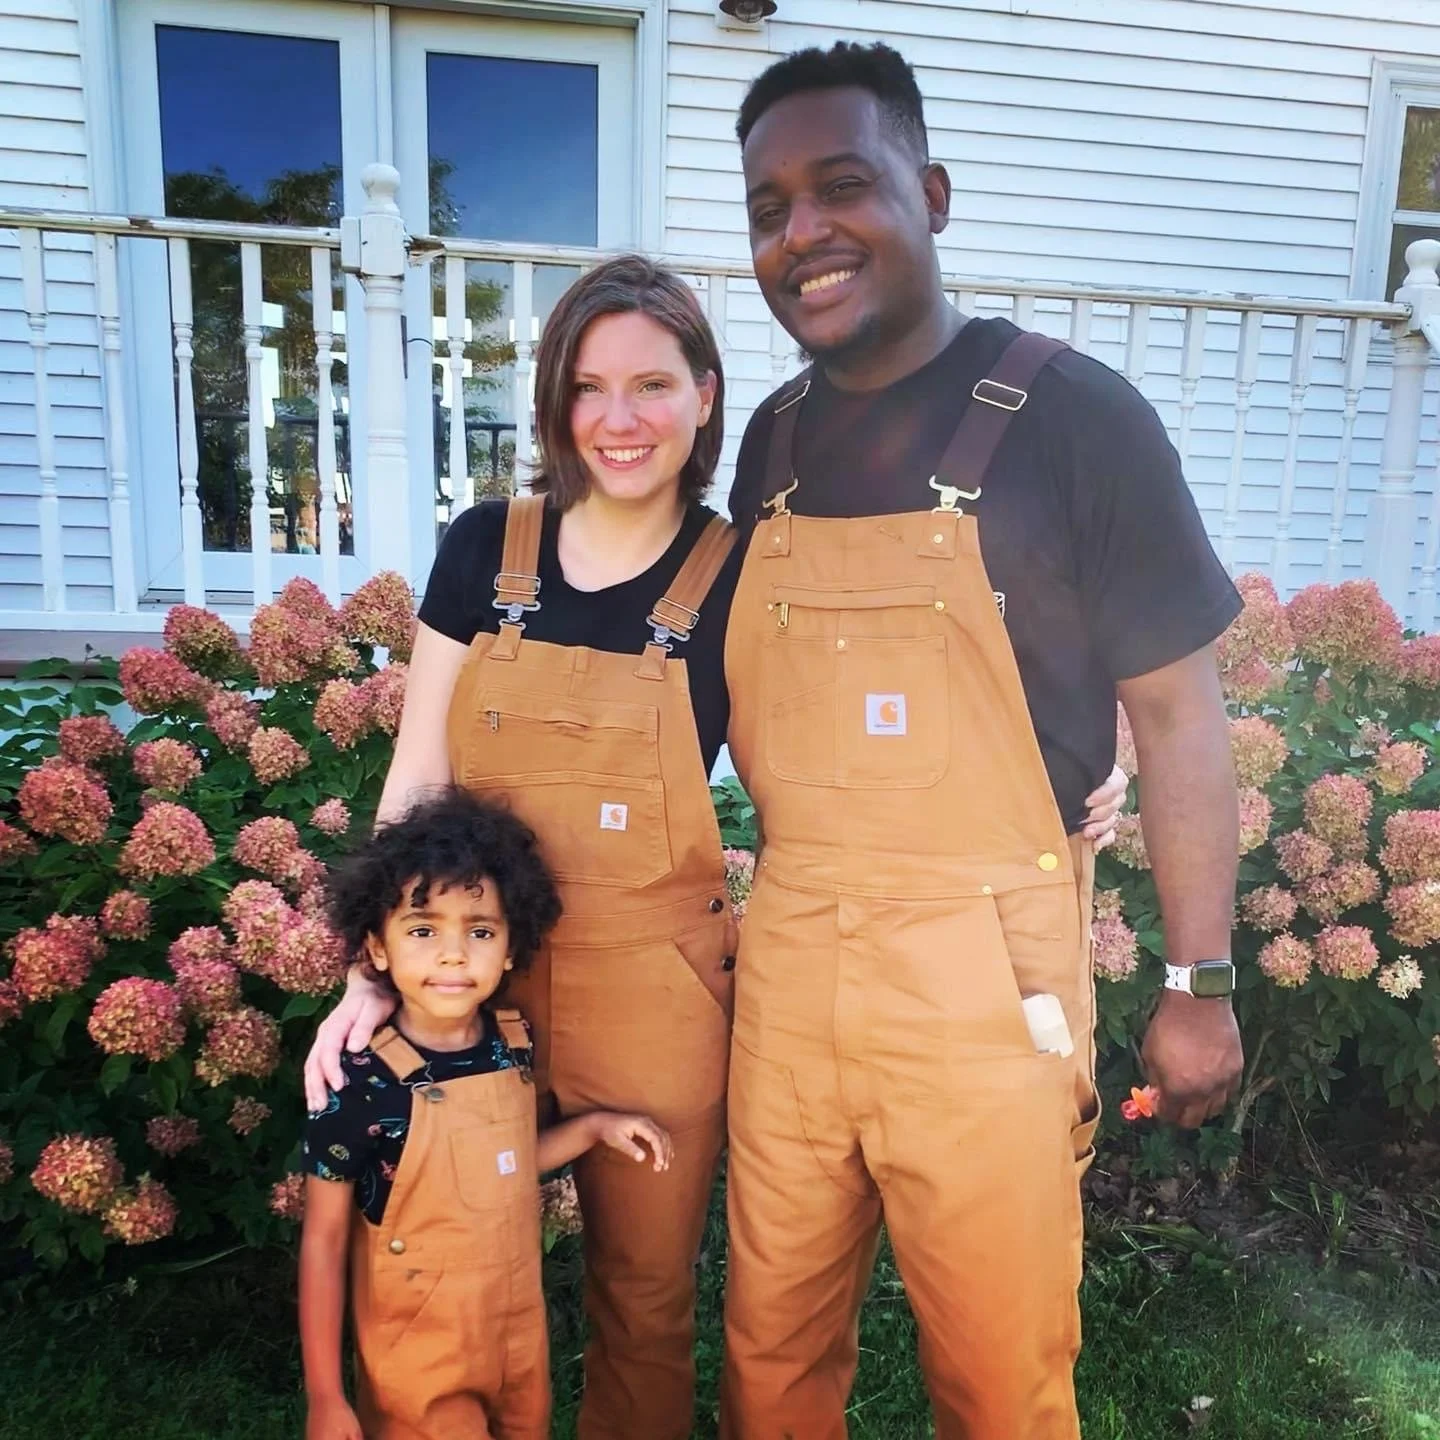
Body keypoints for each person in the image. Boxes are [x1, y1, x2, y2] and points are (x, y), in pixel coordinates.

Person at [303, 254, 1129, 1438]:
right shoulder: (485, 547)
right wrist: (370, 976)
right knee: (439, 1263)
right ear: (554, 402)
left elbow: (871, 714)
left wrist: (1074, 767)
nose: (620, 420)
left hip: (659, 993)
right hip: (465, 977)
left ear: (704, 395)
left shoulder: (746, 569)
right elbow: (418, 775)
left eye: (652, 385)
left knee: (643, 1297)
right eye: (589, 388)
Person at [718, 41, 1246, 1440]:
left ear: (931, 193)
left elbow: (1182, 719)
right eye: (768, 209)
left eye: (842, 186)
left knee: (1001, 1381)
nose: (803, 234)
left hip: (982, 977)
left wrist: (1200, 981)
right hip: (791, 963)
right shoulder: (766, 442)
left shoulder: (1078, 417)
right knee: (768, 1362)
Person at [298, 788, 672, 1440]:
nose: (452, 954)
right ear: (377, 949)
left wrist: (590, 1129)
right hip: (418, 1350)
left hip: (515, 1335)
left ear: (508, 948)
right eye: (422, 930)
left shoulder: (510, 1043)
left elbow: (499, 1168)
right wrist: (327, 1397)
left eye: (479, 931)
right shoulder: (361, 1080)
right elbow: (324, 1244)